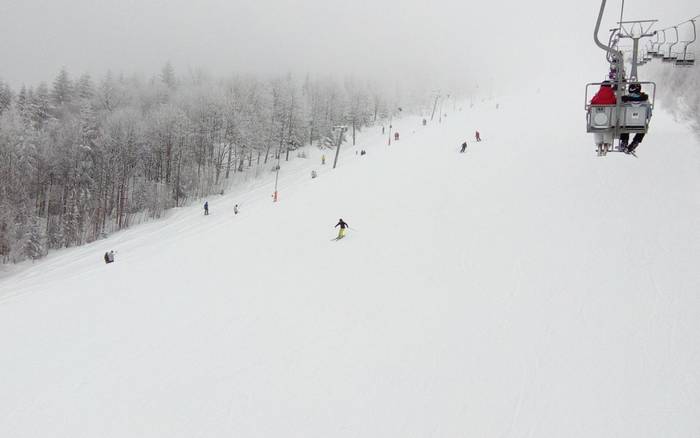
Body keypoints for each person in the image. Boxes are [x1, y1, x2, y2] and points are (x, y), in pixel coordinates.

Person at [619, 83, 649, 153]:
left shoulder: (625, 100)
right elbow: (648, 113)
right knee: (644, 127)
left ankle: (624, 141)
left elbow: (620, 112)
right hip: (640, 123)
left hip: (627, 123)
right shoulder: (645, 100)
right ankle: (635, 142)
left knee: (624, 122)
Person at [590, 81, 616, 155]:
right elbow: (614, 101)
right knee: (608, 127)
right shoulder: (611, 94)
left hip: (598, 117)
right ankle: (606, 144)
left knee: (597, 127)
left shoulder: (598, 93)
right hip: (608, 117)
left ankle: (599, 144)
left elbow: (593, 101)